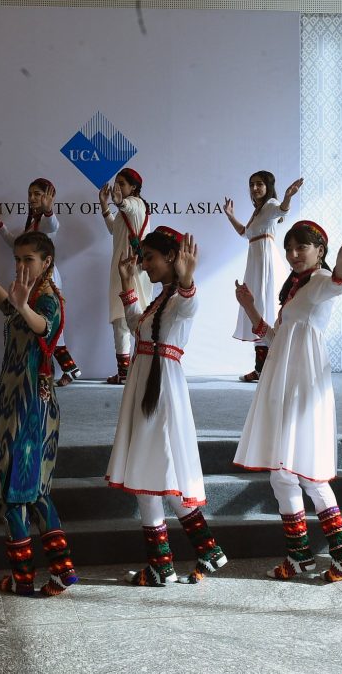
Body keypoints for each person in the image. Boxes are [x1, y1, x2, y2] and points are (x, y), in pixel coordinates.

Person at [233, 220, 342, 582]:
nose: (293, 255)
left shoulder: (321, 281)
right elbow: (276, 337)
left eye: (301, 248)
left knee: (305, 469)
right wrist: (249, 308)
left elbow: (338, 284)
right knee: (282, 472)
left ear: (319, 251)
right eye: (289, 249)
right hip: (284, 378)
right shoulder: (296, 288)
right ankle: (300, 557)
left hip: (302, 383)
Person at [106, 227, 227, 586]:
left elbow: (190, 301)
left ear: (171, 257)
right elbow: (137, 327)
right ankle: (206, 551)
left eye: (149, 258)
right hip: (148, 386)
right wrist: (128, 286)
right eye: (143, 258)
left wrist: (188, 279)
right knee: (161, 476)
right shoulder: (160, 301)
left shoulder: (180, 299)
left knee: (150, 477)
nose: (145, 264)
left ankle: (164, 564)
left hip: (160, 394)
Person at [0, 231, 78, 597]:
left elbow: (42, 326)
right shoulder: (26, 293)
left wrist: (23, 304)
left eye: (28, 259)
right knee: (36, 491)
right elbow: (10, 308)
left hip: (31, 406)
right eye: (17, 258)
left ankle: (24, 577)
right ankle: (62, 571)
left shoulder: (49, 300)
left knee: (16, 491)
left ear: (47, 263)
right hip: (15, 401)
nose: (20, 265)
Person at [0, 177, 82, 386]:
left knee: (47, 325)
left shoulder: (47, 222)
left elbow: (53, 226)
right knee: (34, 323)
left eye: (37, 194)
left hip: (47, 278)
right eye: (30, 194)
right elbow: (16, 243)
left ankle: (64, 370)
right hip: (32, 280)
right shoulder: (33, 223)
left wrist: (49, 211)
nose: (32, 198)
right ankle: (69, 369)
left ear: (48, 197)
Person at [224, 171, 302, 382]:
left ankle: (271, 368)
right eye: (251, 184)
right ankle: (261, 369)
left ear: (268, 186)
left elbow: (281, 210)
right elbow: (245, 233)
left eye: (259, 184)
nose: (255, 188)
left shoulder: (270, 205)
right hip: (255, 263)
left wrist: (288, 196)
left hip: (266, 263)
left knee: (266, 308)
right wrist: (230, 215)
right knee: (256, 308)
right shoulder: (258, 212)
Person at [98, 168, 152, 384]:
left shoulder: (136, 205)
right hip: (122, 268)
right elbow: (114, 229)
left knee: (126, 319)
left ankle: (129, 372)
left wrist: (120, 202)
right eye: (116, 183)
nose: (117, 187)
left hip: (132, 271)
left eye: (122, 183)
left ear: (134, 187)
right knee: (123, 319)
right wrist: (105, 206)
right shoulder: (126, 211)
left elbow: (127, 206)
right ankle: (127, 371)